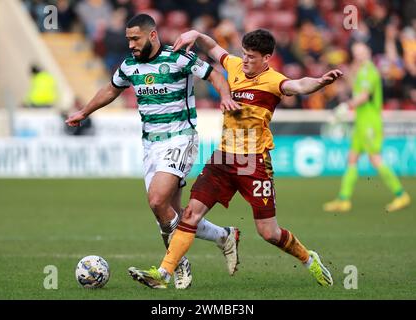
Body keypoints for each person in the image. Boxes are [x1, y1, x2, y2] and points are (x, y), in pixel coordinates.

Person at [128, 28, 343, 289]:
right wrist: (195, 34)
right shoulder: (235, 65)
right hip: (223, 159)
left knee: (268, 233)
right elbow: (213, 47)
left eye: (252, 56)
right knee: (190, 215)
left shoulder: (274, 81)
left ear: (267, 58)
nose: (245, 60)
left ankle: (309, 259)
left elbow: (299, 85)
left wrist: (320, 81)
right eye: (243, 54)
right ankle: (164, 273)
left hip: (254, 163)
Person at [65, 14, 241, 289]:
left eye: (135, 38)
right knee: (171, 214)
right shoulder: (129, 66)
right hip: (150, 144)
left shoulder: (178, 58)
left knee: (157, 200)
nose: (131, 44)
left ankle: (173, 267)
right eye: (128, 39)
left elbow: (215, 75)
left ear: (153, 35)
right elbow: (111, 89)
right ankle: (224, 236)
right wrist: (84, 112)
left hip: (180, 138)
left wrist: (226, 96)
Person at [324, 42, 411, 213]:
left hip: (370, 122)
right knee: (352, 158)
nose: (358, 56)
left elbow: (363, 97)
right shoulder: (362, 71)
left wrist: (346, 107)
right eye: (356, 53)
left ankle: (401, 194)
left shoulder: (369, 72)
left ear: (368, 52)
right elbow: (354, 87)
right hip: (361, 122)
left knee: (375, 158)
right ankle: (344, 199)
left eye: (361, 52)